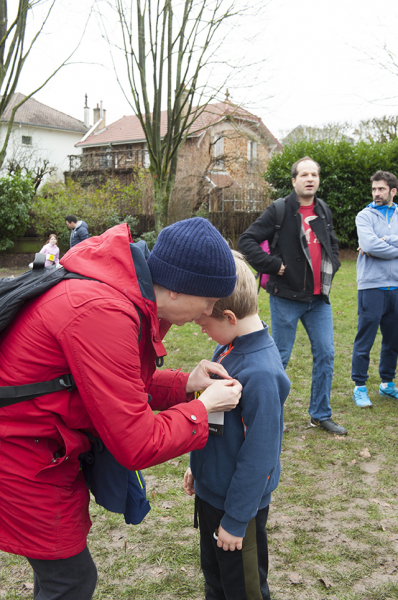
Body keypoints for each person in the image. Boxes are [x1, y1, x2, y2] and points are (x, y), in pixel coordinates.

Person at [0, 218, 243, 600]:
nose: (207, 313)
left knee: (62, 577)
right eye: (209, 301)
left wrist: (186, 384)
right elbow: (137, 442)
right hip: (21, 454)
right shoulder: (103, 311)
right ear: (178, 291)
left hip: (41, 445)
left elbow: (116, 385)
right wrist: (201, 410)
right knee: (70, 580)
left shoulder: (118, 289)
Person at [184, 251, 290, 600]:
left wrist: (236, 520)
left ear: (228, 316)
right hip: (211, 495)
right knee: (215, 579)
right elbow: (215, 420)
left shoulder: (261, 373)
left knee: (242, 588)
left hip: (237, 508)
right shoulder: (226, 348)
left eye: (204, 321)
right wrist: (196, 467)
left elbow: (261, 456)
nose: (200, 326)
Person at [238, 157, 347, 435]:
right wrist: (274, 265)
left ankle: (320, 414)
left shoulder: (323, 209)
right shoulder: (279, 210)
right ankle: (273, 417)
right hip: (285, 297)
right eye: (304, 174)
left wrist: (333, 263)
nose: (310, 179)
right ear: (294, 180)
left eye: (314, 174)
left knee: (326, 354)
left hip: (317, 300)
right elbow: (246, 241)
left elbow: (331, 243)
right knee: (279, 358)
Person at [352, 170, 398, 407]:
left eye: (381, 189)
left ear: (393, 191)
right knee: (365, 339)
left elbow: (374, 245)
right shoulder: (364, 216)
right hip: (371, 287)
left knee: (393, 339)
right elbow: (368, 243)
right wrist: (376, 244)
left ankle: (387, 384)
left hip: (396, 288)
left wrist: (383, 243)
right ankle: (359, 386)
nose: (376, 193)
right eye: (374, 189)